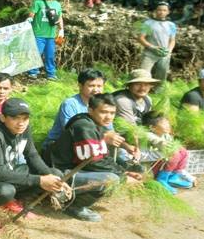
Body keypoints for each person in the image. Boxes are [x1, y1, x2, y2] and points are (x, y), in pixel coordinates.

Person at [0, 96, 71, 233]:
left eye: (25, 118)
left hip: (9, 169)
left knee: (55, 174)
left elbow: (32, 155)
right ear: (2, 118)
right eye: (15, 118)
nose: (21, 123)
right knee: (6, 191)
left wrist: (51, 177)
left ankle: (11, 201)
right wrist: (40, 180)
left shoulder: (24, 129)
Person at [45, 93, 136, 222]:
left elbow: (103, 156)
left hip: (77, 167)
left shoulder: (95, 124)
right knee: (111, 179)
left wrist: (123, 171)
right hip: (61, 171)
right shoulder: (84, 127)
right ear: (90, 110)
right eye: (103, 112)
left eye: (112, 113)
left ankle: (74, 198)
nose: (108, 117)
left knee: (121, 172)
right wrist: (123, 177)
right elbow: (94, 161)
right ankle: (73, 206)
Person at [45, 67, 107, 159]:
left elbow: (109, 130)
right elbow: (74, 134)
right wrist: (105, 136)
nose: (96, 90)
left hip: (88, 146)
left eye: (99, 86)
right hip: (59, 149)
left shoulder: (103, 104)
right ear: (80, 86)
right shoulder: (70, 104)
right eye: (91, 86)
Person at [28, 0, 63, 80]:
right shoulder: (38, 2)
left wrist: (61, 29)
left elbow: (60, 17)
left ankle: (51, 73)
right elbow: (32, 13)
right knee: (36, 53)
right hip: (38, 34)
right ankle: (33, 72)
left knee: (50, 55)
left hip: (51, 35)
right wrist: (29, 19)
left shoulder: (57, 4)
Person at [138, 2, 177, 81]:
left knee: (162, 75)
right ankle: (140, 89)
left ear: (168, 12)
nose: (161, 12)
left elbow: (172, 40)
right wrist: (152, 47)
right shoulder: (148, 23)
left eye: (164, 10)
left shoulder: (171, 25)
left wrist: (169, 50)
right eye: (159, 10)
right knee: (143, 74)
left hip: (164, 54)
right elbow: (141, 38)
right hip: (149, 53)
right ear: (155, 11)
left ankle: (158, 91)